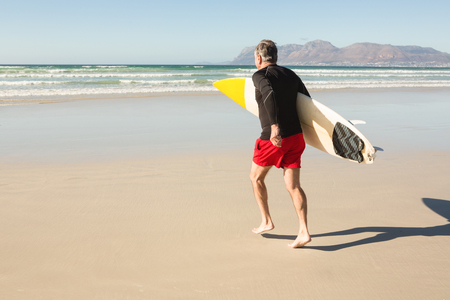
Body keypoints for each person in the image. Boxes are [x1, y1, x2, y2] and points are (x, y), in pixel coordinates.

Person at [250, 39, 311, 248]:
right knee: (293, 186)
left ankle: (267, 221)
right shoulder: (291, 74)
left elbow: (268, 93)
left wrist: (274, 126)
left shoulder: (259, 75)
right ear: (275, 57)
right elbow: (308, 102)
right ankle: (303, 231)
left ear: (258, 58)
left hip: (274, 139)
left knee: (255, 178)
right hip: (296, 137)